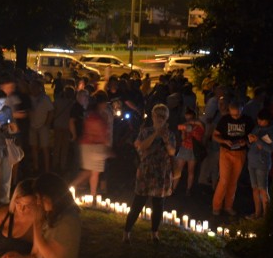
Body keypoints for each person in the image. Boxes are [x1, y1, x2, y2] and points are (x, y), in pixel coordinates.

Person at [0, 173, 81, 258]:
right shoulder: (52, 217)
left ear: (51, 196)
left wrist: (36, 226)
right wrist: (21, 257)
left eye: (39, 198)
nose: (37, 203)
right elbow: (38, 255)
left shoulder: (68, 221)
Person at [123, 104, 176, 243]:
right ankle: (127, 231)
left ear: (166, 118)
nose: (159, 118)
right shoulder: (145, 132)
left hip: (161, 173)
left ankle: (154, 233)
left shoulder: (170, 134)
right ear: (152, 116)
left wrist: (164, 139)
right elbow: (141, 146)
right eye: (157, 115)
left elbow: (172, 152)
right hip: (146, 171)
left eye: (163, 116)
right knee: (138, 203)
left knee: (158, 205)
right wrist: (155, 134)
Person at [212, 99, 253, 216]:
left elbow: (252, 136)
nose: (236, 117)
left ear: (242, 109)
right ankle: (216, 206)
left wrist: (245, 141)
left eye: (238, 114)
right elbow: (215, 135)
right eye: (233, 114)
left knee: (233, 181)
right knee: (224, 180)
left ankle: (228, 206)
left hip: (240, 153)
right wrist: (224, 140)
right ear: (229, 111)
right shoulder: (225, 120)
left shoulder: (247, 120)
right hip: (226, 151)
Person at [70, 90, 110, 197]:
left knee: (92, 172)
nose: (106, 105)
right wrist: (106, 145)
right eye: (105, 103)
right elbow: (99, 132)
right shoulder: (96, 117)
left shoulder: (92, 114)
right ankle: (70, 189)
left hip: (91, 145)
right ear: (101, 103)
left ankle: (92, 195)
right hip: (94, 146)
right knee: (90, 172)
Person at [247, 108, 273, 220]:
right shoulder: (257, 128)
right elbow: (253, 144)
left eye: (261, 120)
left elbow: (270, 148)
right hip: (252, 161)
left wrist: (258, 140)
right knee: (254, 188)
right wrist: (250, 141)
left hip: (262, 163)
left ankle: (266, 215)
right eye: (258, 120)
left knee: (263, 189)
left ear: (267, 120)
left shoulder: (271, 131)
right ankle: (257, 212)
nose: (259, 122)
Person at [173, 107, 205, 196]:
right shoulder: (185, 126)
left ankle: (188, 189)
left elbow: (200, 131)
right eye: (186, 118)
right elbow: (183, 138)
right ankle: (173, 188)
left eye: (189, 118)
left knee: (191, 171)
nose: (187, 119)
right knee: (178, 170)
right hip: (184, 148)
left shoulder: (199, 125)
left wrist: (189, 124)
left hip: (193, 150)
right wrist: (183, 132)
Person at [28, 80, 53, 174]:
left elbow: (51, 111)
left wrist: (47, 124)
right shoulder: (30, 98)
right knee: (33, 146)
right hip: (32, 126)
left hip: (43, 126)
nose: (33, 89)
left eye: (34, 87)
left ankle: (47, 169)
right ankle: (36, 167)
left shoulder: (45, 98)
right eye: (31, 87)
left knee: (45, 147)